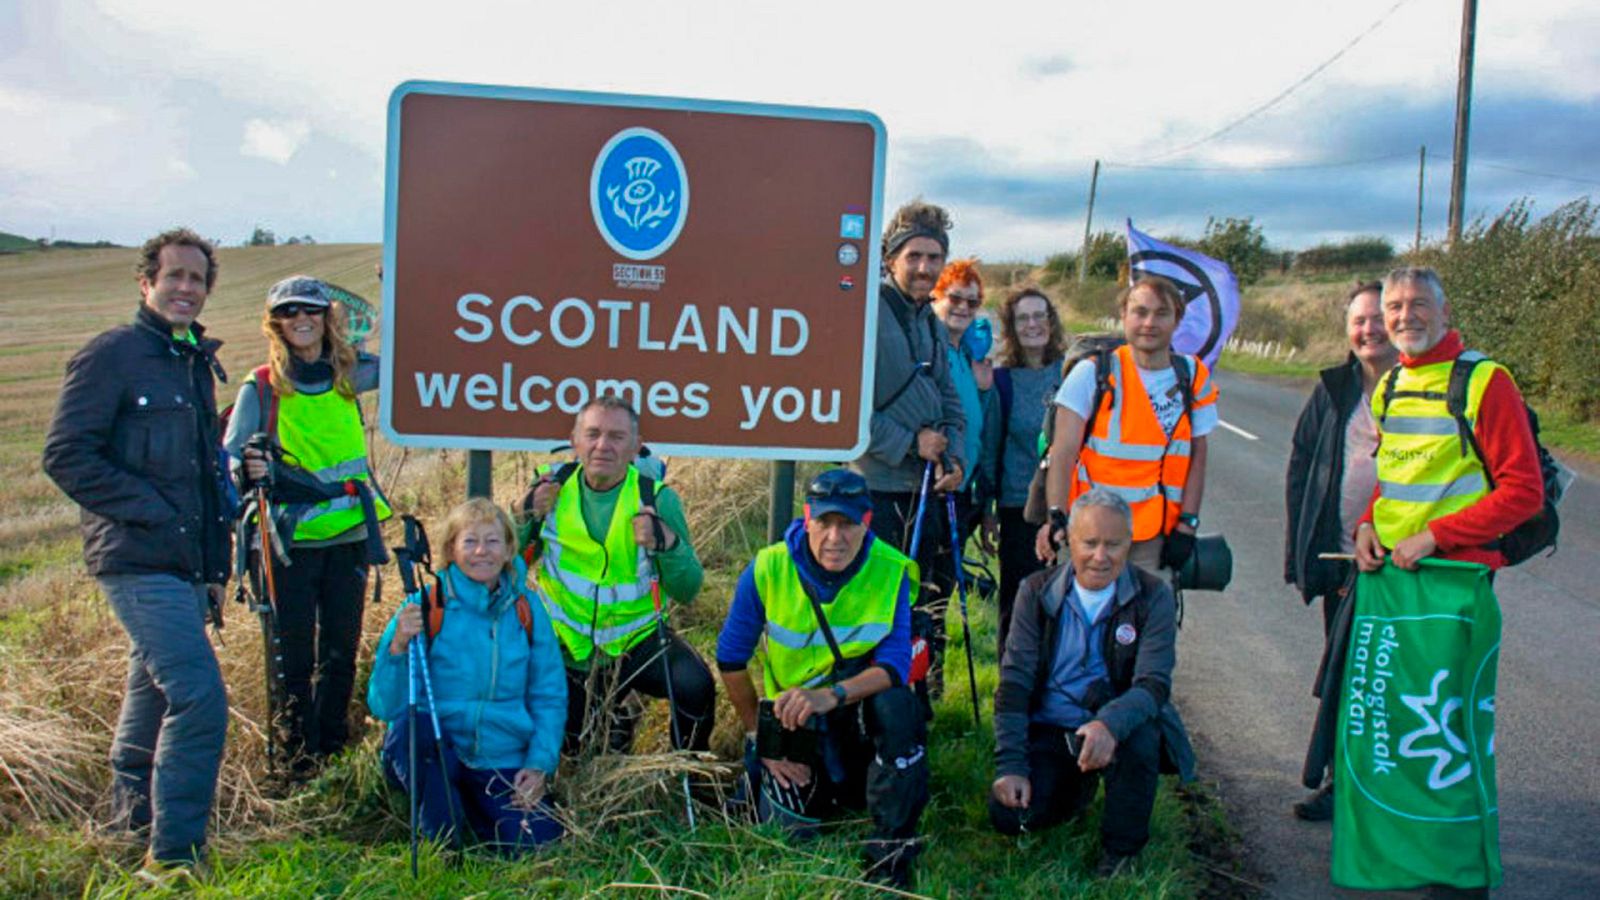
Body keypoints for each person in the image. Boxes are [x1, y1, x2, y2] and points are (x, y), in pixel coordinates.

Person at [1347, 267, 1543, 896]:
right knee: (1392, 730)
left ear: (1444, 309)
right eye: (1394, 306)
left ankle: (1460, 876)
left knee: (1448, 737)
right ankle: (1407, 859)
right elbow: (1394, 477)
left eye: (1417, 305)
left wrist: (1438, 536)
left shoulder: (1486, 381)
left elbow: (1524, 492)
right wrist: (1365, 527)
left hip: (1455, 584)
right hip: (1395, 583)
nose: (1403, 317)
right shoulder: (1392, 384)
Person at [42, 228, 232, 875]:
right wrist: (153, 511)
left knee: (150, 690)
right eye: (174, 275)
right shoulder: (113, 356)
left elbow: (207, 478)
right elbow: (66, 455)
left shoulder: (192, 364)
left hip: (182, 564)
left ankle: (127, 829)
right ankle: (175, 858)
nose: (185, 287)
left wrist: (213, 568)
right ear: (146, 282)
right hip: (134, 556)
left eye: (197, 279)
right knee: (198, 695)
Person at [715, 468, 928, 888]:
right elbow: (730, 659)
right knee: (787, 833)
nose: (836, 537)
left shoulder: (891, 569)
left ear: (865, 523)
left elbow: (894, 665)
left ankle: (890, 849)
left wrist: (831, 695)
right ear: (807, 518)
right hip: (792, 721)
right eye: (825, 523)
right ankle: (809, 784)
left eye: (847, 524)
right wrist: (763, 737)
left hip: (854, 711)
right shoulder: (768, 567)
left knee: (900, 706)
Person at [224, 276, 391, 775]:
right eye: (290, 311)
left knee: (340, 651)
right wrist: (246, 468)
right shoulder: (260, 386)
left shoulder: (348, 375)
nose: (301, 319)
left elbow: (408, 358)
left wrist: (397, 289)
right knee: (292, 655)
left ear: (325, 318)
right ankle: (297, 759)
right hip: (287, 542)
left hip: (349, 537)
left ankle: (333, 753)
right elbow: (230, 457)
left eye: (312, 311)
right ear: (276, 323)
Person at [990, 488, 1179, 877]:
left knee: (1143, 737)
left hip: (1114, 725)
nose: (1101, 556)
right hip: (1050, 727)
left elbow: (1153, 684)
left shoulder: (1154, 596)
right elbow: (1014, 681)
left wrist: (1109, 724)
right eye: (1089, 543)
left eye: (1114, 544)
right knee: (1009, 818)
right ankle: (1074, 791)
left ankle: (1121, 852)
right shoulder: (1034, 591)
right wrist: (1010, 764)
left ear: (1129, 543)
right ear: (1068, 541)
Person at [515, 395, 715, 754]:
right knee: (577, 749)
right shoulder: (549, 491)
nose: (602, 445)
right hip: (567, 648)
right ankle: (613, 725)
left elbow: (688, 589)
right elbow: (504, 562)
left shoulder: (657, 499)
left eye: (616, 437)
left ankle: (686, 770)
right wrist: (524, 511)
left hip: (635, 641)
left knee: (694, 685)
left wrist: (666, 542)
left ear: (636, 447)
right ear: (575, 441)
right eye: (592, 434)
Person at [368, 499, 566, 852]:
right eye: (469, 541)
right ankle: (444, 840)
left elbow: (548, 694)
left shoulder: (528, 608)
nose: (481, 552)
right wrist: (398, 645)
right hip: (439, 749)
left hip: (501, 754)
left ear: (508, 550)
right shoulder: (425, 604)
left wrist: (538, 764)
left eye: (492, 542)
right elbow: (386, 705)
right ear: (451, 550)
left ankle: (473, 814)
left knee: (538, 845)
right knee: (414, 732)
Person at [1282, 281, 1397, 820]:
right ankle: (1340, 784)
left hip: (1410, 562)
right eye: (1359, 321)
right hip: (1346, 563)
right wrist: (1301, 552)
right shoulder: (1334, 389)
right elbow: (1303, 463)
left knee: (1397, 679)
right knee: (1349, 675)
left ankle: (1396, 787)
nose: (1368, 330)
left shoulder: (1429, 386)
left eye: (1378, 318)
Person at [855, 199, 966, 704]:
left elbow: (949, 401)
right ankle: (875, 700)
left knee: (926, 603)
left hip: (926, 489)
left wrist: (955, 459)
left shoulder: (932, 324)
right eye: (914, 256)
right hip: (877, 489)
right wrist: (909, 444)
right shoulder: (864, 315)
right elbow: (840, 408)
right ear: (890, 258)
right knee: (877, 605)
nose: (924, 268)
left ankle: (918, 696)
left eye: (933, 257)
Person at [1034, 276, 1219, 575]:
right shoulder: (1093, 373)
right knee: (1085, 618)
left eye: (1161, 313)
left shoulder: (1192, 377)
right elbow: (1063, 452)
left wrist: (1188, 523)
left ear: (1177, 319)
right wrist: (1056, 515)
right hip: (1090, 531)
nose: (1149, 322)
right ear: (1124, 316)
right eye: (1140, 312)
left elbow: (1198, 455)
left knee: (1149, 619)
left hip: (1154, 537)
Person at [981, 285, 1068, 653]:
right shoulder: (1003, 381)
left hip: (1071, 506)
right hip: (1021, 509)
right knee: (1020, 602)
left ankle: (1058, 686)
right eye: (1022, 318)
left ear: (1051, 321)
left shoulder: (1073, 370)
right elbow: (990, 450)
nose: (1032, 324)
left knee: (1066, 602)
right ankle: (1012, 686)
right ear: (1011, 328)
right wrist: (987, 511)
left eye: (1039, 315)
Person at [929, 258, 998, 536]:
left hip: (962, 488)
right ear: (935, 297)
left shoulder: (971, 358)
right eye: (955, 298)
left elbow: (978, 427)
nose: (963, 308)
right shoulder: (928, 350)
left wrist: (984, 391)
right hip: (932, 485)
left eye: (972, 302)